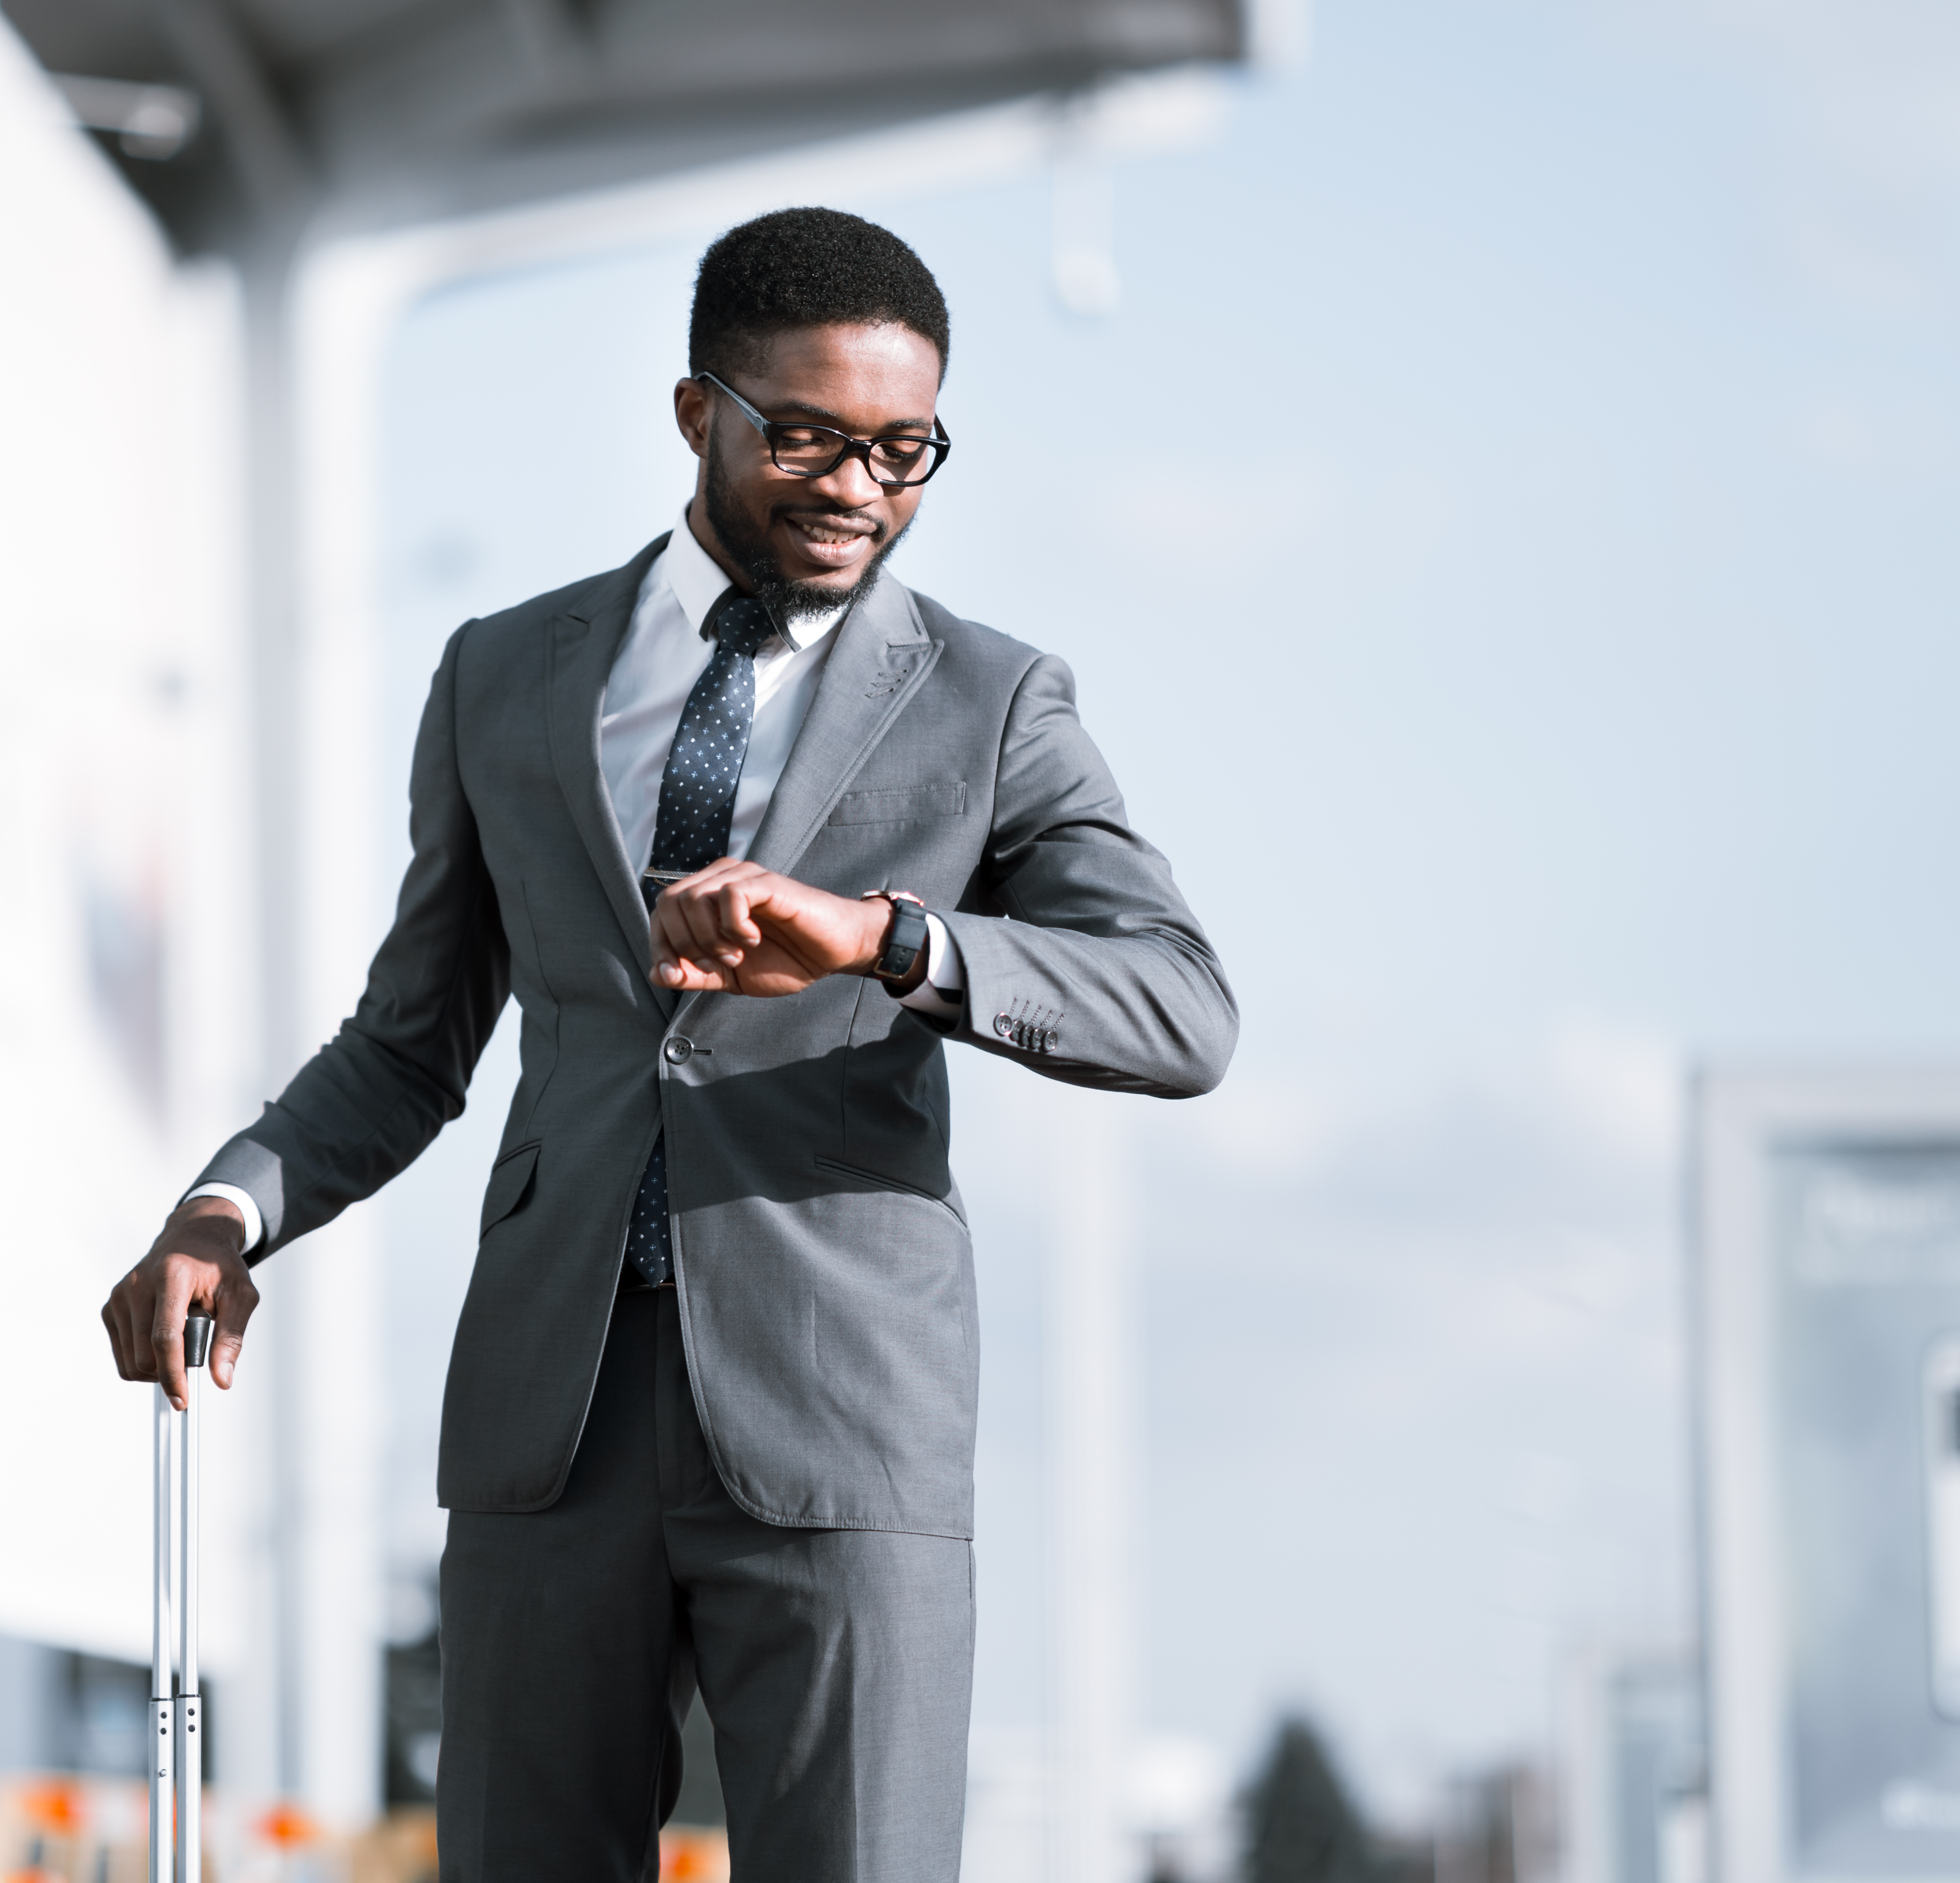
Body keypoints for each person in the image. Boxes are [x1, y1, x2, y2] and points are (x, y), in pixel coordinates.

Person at [100, 206, 1236, 1882]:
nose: (861, 487)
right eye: (811, 438)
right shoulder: (504, 674)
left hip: (845, 1417)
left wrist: (888, 941)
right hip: (550, 1420)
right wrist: (229, 1207)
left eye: (906, 449)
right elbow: (413, 1041)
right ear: (698, 412)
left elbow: (1177, 1006)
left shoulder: (992, 700)